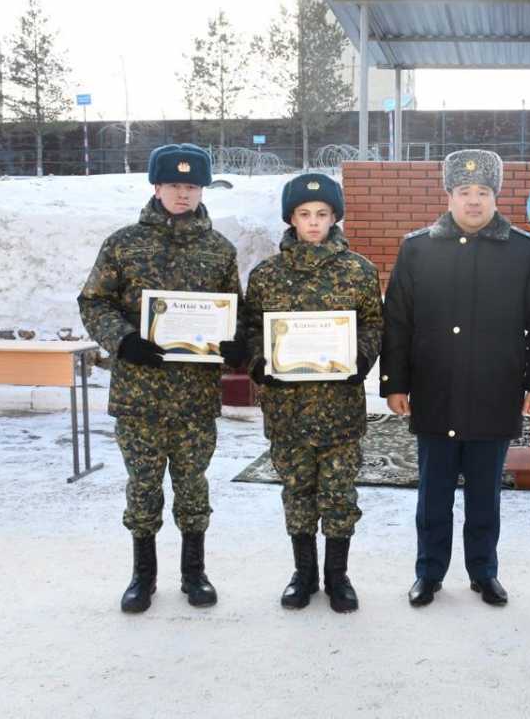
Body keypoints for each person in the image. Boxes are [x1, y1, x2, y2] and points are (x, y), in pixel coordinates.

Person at [380, 148, 530, 608]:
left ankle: (484, 572)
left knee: (485, 496)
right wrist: (395, 382)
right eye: (464, 192)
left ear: (496, 195)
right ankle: (429, 573)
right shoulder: (417, 248)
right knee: (433, 496)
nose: (474, 201)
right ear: (449, 195)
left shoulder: (523, 251)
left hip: (494, 392)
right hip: (434, 391)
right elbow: (397, 322)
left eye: (483, 191)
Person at [78, 143, 244, 613]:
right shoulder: (123, 243)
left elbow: (233, 310)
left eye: (191, 185)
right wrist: (123, 340)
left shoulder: (219, 250)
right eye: (174, 184)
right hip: (139, 394)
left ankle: (194, 573)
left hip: (194, 396)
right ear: (156, 186)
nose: (182, 193)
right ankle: (142, 576)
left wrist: (233, 343)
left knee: (193, 485)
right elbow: (93, 301)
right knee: (143, 485)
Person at [240, 173, 382, 613]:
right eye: (305, 214)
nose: (314, 222)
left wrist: (359, 359)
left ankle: (338, 577)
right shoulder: (267, 274)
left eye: (322, 214)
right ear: (291, 219)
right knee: (297, 491)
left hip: (339, 408)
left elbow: (374, 324)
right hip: (288, 407)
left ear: (335, 216)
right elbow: (248, 330)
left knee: (340, 494)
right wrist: (261, 363)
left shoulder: (358, 270)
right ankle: (303, 574)